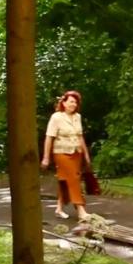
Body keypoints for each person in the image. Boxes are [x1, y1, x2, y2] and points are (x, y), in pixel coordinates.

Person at [41, 90, 91, 220]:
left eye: (75, 102)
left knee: (65, 181)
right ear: (63, 103)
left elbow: (80, 137)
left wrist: (86, 154)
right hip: (61, 153)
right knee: (73, 179)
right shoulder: (56, 117)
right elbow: (49, 138)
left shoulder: (77, 117)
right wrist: (46, 157)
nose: (73, 104)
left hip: (76, 153)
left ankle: (59, 208)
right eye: (71, 101)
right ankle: (81, 209)